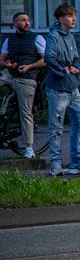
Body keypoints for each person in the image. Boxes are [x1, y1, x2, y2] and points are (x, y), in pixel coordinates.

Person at [44, 3, 80, 176]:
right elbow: (49, 57)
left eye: (74, 15)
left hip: (73, 88)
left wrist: (75, 68)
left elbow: (76, 58)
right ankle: (55, 164)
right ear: (61, 18)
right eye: (70, 16)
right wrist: (64, 70)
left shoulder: (70, 37)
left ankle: (76, 160)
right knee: (56, 127)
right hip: (58, 88)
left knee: (79, 121)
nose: (74, 19)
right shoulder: (53, 36)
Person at [1, 12, 45, 158]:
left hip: (27, 77)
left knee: (25, 111)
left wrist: (29, 66)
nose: (27, 23)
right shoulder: (9, 40)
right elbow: (1, 59)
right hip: (10, 75)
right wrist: (7, 64)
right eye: (23, 20)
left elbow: (46, 59)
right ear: (15, 23)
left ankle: (29, 148)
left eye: (28, 20)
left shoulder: (37, 38)